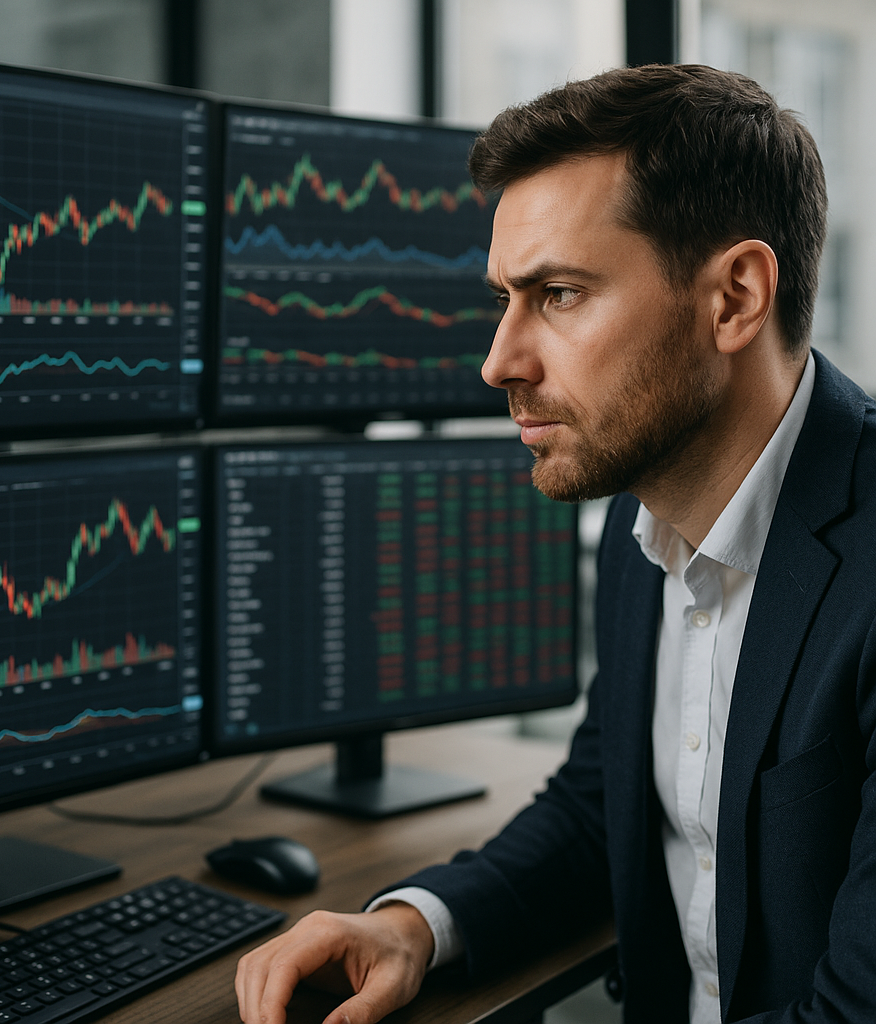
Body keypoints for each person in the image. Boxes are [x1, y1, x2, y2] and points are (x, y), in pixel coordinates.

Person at [235, 64, 876, 1024]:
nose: (500, 360)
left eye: (560, 294)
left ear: (736, 298)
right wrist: (416, 926)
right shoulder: (645, 517)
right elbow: (603, 807)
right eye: (506, 296)